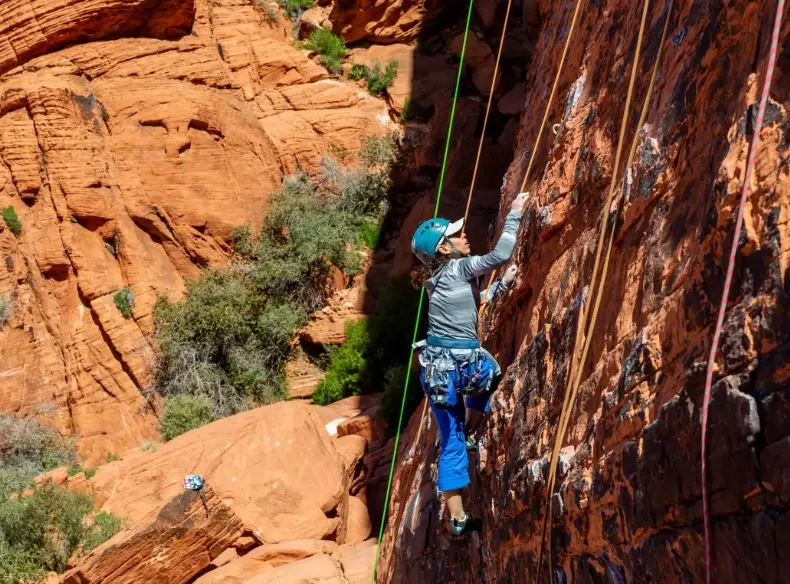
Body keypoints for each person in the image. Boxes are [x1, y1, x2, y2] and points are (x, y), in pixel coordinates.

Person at [410, 192, 530, 536]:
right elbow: (500, 255)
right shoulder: (459, 267)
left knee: (451, 437)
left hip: (435, 371)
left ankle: (458, 518)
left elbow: (468, 302)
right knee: (490, 372)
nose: (464, 235)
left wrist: (500, 287)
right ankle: (471, 429)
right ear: (444, 248)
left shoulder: (436, 280)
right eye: (455, 234)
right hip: (462, 365)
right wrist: (515, 214)